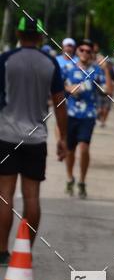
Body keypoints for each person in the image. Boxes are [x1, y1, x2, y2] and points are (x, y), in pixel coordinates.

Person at [0, 15, 67, 266]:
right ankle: (24, 252)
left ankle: (1, 251)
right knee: (31, 197)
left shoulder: (6, 60)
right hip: (35, 138)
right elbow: (60, 103)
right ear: (40, 36)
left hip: (5, 135)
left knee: (4, 195)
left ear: (18, 35)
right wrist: (64, 138)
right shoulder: (50, 63)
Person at [61, 38, 112, 198]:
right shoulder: (68, 67)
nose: (84, 53)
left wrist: (107, 70)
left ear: (92, 53)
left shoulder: (96, 71)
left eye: (88, 51)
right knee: (70, 150)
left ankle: (82, 181)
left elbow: (108, 91)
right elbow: (57, 86)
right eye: (81, 50)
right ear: (77, 51)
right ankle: (70, 178)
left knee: (84, 148)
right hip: (70, 114)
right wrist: (69, 88)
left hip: (88, 115)